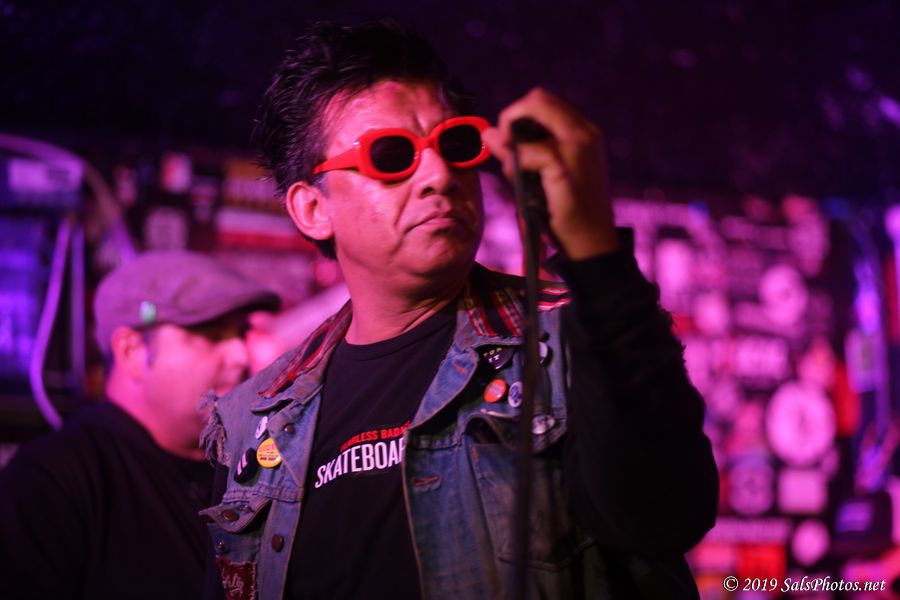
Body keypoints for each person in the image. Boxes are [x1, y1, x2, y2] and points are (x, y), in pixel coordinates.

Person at [202, 20, 718, 599]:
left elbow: (665, 513)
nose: (440, 175)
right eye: (391, 155)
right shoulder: (256, 420)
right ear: (313, 210)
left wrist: (596, 254)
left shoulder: (577, 335)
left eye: (456, 144)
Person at [0, 250, 280, 599]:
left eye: (240, 333)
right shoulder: (51, 482)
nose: (240, 355)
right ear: (132, 351)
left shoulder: (257, 466)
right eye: (212, 334)